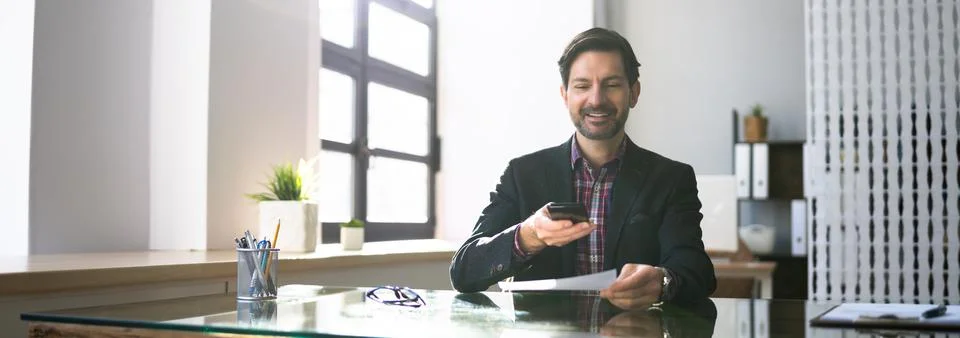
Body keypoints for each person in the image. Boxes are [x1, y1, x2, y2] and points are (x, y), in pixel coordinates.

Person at [449, 27, 716, 310]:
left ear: (634, 93)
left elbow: (697, 271)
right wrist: (528, 235)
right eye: (582, 86)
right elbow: (464, 272)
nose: (596, 99)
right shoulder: (522, 174)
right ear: (565, 95)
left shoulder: (671, 179)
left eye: (611, 84)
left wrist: (662, 281)